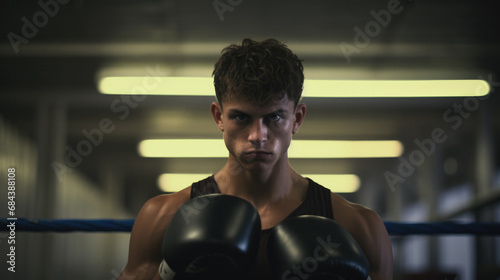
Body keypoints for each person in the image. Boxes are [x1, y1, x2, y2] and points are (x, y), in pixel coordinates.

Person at [118, 38, 393, 280]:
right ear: (218, 117)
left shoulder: (356, 225)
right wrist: (169, 274)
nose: (257, 136)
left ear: (296, 119)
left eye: (273, 117)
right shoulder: (162, 217)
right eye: (241, 117)